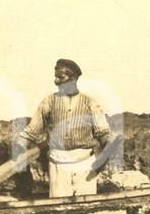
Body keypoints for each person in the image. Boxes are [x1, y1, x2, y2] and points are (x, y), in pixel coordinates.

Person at [14, 58, 115, 198]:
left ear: (73, 78)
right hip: (58, 165)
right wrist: (19, 147)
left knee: (87, 209)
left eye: (60, 77)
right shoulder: (48, 101)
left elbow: (103, 132)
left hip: (85, 165)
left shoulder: (90, 102)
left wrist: (106, 152)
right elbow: (31, 131)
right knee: (58, 208)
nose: (55, 81)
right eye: (55, 77)